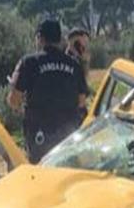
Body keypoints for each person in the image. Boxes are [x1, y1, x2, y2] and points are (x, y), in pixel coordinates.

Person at [8, 18, 88, 164]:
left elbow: (13, 100)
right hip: (68, 136)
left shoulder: (29, 62)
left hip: (39, 136)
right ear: (60, 39)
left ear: (40, 38)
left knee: (40, 175)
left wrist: (19, 107)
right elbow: (82, 101)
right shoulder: (75, 65)